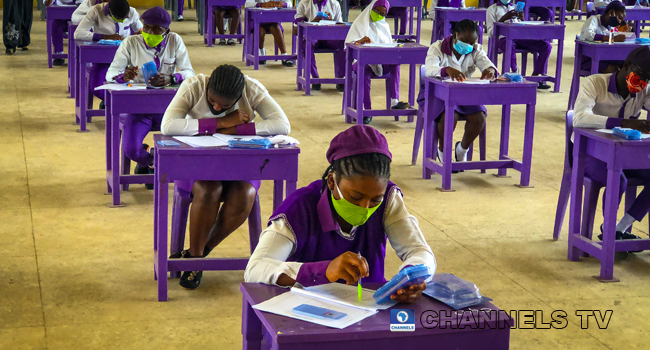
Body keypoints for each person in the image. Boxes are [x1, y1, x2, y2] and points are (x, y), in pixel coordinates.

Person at [244, 125, 436, 304]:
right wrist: (323, 270)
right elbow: (255, 269)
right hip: (307, 309)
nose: (365, 207)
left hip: (367, 306)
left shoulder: (388, 198)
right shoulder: (299, 209)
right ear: (331, 181)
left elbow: (419, 251)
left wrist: (412, 274)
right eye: (355, 197)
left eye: (374, 200)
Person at [161, 64, 291, 290]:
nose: (216, 106)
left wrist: (236, 130)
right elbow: (169, 125)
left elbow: (282, 125)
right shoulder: (193, 85)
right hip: (196, 168)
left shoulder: (251, 89)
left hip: (239, 167)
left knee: (246, 193)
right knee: (209, 189)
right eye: (212, 101)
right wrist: (220, 122)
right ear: (208, 86)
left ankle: (197, 254)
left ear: (238, 96)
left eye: (224, 105)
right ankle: (197, 257)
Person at [105, 6, 194, 189]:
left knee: (189, 145)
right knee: (130, 149)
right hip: (140, 110)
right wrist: (123, 75)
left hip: (169, 110)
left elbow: (189, 73)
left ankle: (157, 166)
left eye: (157, 30)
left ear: (166, 31)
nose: (150, 32)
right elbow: (111, 73)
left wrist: (172, 77)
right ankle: (151, 160)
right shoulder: (130, 43)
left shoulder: (175, 41)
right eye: (147, 28)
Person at [572, 46, 650, 251]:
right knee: (618, 179)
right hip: (587, 153)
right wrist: (623, 122)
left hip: (622, 154)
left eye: (649, 78)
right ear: (626, 66)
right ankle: (608, 235)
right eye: (640, 74)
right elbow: (579, 118)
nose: (643, 82)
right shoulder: (594, 83)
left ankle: (617, 229)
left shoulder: (644, 90)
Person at [421, 19, 497, 166]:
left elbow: (486, 63)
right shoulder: (437, 47)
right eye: (464, 40)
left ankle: (462, 149)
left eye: (471, 42)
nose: (468, 45)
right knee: (450, 115)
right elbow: (429, 70)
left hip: (463, 93)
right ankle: (443, 151)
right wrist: (446, 70)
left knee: (479, 117)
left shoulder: (475, 49)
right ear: (455, 35)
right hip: (435, 93)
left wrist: (490, 70)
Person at [345, 0, 410, 124]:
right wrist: (359, 42)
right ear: (371, 9)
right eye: (376, 11)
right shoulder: (360, 23)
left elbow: (388, 46)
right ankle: (365, 109)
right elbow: (349, 44)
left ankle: (394, 101)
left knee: (395, 64)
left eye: (383, 14)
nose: (379, 15)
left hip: (380, 61)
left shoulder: (384, 25)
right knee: (363, 71)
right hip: (362, 61)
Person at [74, 0, 142, 107]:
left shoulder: (132, 12)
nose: (122, 21)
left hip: (126, 61)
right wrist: (105, 36)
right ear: (110, 12)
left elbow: (140, 30)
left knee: (136, 85)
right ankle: (109, 100)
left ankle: (115, 103)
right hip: (103, 60)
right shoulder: (96, 11)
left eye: (124, 18)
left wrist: (141, 35)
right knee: (96, 87)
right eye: (118, 19)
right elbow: (78, 34)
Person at [486, 0, 552, 90]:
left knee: (546, 46)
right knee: (510, 45)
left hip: (520, 38)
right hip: (503, 38)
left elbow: (524, 28)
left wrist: (522, 19)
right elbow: (491, 32)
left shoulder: (514, 7)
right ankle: (514, 72)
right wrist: (503, 19)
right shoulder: (491, 9)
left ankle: (535, 77)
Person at [294, 0, 345, 91]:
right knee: (306, 44)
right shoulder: (304, 3)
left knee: (344, 43)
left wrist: (331, 21)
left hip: (330, 38)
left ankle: (341, 77)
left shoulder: (334, 4)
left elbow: (340, 26)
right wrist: (313, 21)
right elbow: (296, 28)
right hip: (312, 38)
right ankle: (315, 77)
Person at [580, 1, 627, 74]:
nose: (620, 22)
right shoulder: (593, 20)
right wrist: (612, 38)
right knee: (614, 69)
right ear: (611, 12)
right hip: (589, 60)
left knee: (626, 65)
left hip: (604, 58)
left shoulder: (611, 27)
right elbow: (587, 34)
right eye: (619, 18)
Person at [244, 0, 294, 66]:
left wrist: (283, 4)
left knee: (276, 28)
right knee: (260, 30)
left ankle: (284, 55)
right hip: (258, 19)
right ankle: (261, 52)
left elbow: (289, 3)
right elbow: (247, 4)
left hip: (272, 19)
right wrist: (262, 4)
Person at [44, 0, 80, 66]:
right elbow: (46, 2)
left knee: (80, 27)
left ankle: (78, 54)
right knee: (55, 25)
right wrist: (48, 2)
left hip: (77, 14)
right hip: (60, 16)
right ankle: (59, 54)